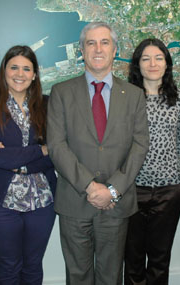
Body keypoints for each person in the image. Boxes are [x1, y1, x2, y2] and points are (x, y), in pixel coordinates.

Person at [47, 22, 149, 285]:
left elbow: (140, 146)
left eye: (104, 42)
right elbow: (57, 146)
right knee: (78, 276)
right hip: (75, 201)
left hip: (116, 204)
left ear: (115, 50)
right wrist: (91, 187)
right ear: (82, 50)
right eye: (90, 43)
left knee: (111, 276)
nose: (98, 48)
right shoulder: (61, 92)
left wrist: (112, 190)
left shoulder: (135, 95)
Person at [0, 45, 57, 285]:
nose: (19, 74)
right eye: (14, 67)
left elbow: (58, 151)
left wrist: (19, 160)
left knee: (33, 266)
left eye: (26, 68)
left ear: (34, 74)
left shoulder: (48, 105)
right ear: (4, 71)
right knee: (10, 267)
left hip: (42, 201)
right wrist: (40, 148)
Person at [124, 38, 180, 284]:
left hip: (168, 191)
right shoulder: (127, 99)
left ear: (166, 63)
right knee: (132, 259)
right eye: (146, 58)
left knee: (160, 259)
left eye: (158, 58)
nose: (152, 63)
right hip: (132, 190)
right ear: (137, 65)